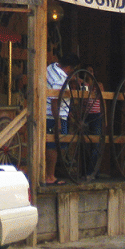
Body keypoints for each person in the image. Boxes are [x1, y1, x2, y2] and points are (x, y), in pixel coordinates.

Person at [45, 53, 79, 185]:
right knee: (54, 145)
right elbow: (55, 102)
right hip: (54, 115)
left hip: (49, 112)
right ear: (70, 67)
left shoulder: (51, 67)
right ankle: (50, 176)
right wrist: (58, 122)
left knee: (52, 144)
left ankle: (48, 174)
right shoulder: (60, 78)